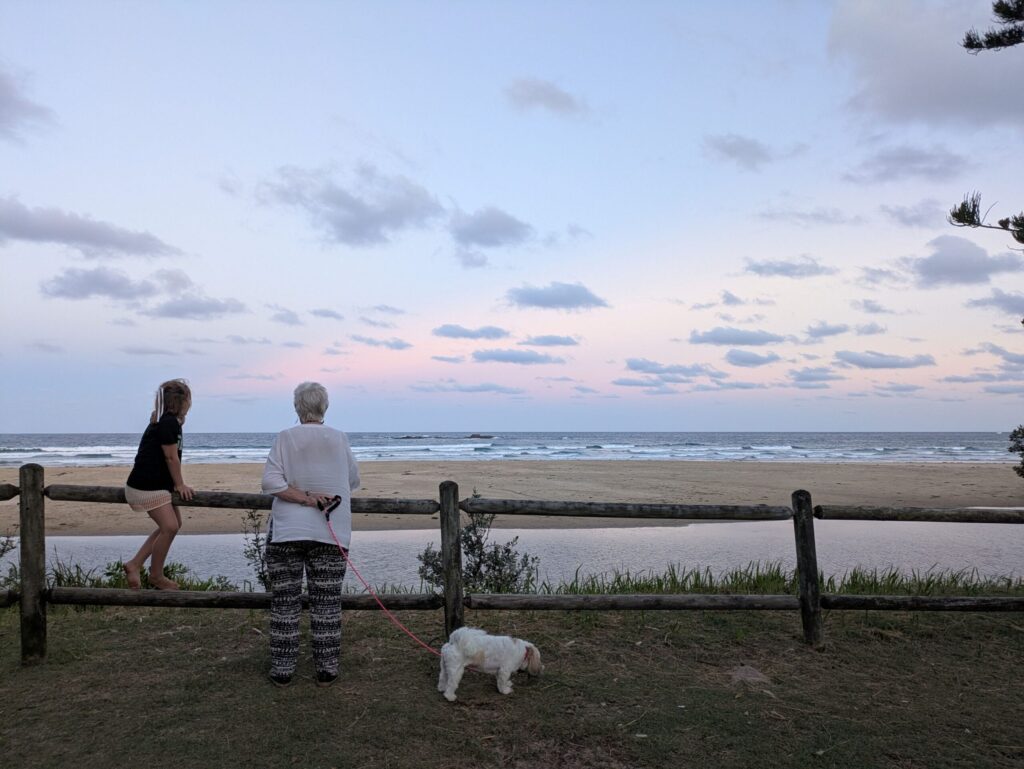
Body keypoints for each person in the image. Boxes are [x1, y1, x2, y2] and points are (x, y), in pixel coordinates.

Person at [261, 381, 360, 687]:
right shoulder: (339, 439)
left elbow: (271, 483)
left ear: (297, 407)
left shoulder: (285, 438)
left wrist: (301, 496)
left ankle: (282, 669)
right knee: (327, 603)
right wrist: (313, 496)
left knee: (285, 602)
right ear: (324, 407)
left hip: (287, 532)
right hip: (331, 532)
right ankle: (327, 668)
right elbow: (353, 481)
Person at [123, 379, 194, 590]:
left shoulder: (166, 421)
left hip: (157, 484)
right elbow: (171, 457)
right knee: (170, 527)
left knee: (173, 525)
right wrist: (180, 485)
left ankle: (135, 563)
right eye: (189, 400)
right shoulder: (167, 422)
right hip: (146, 484)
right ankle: (156, 576)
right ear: (181, 401)